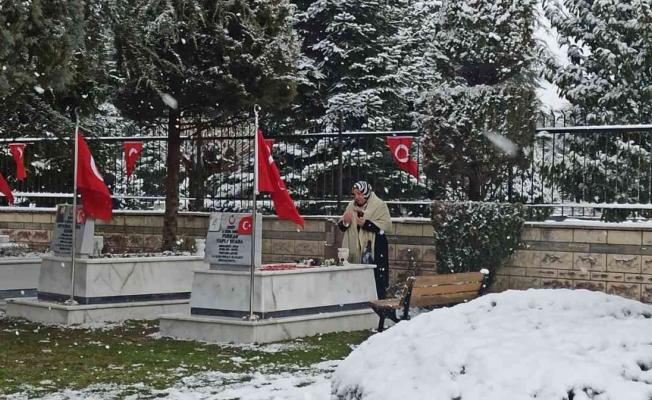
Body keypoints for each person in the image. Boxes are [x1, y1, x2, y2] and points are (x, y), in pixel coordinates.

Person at [338, 181, 392, 299]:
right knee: (355, 281)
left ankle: (378, 304)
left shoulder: (379, 205)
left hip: (375, 249)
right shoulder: (351, 206)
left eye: (359, 194)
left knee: (375, 281)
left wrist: (366, 224)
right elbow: (342, 226)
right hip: (355, 249)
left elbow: (387, 226)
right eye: (355, 194)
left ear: (366, 193)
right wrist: (345, 222)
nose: (356, 197)